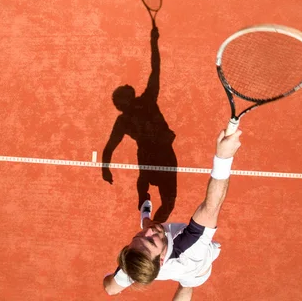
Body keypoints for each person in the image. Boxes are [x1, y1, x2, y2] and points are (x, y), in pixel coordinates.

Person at [103, 127, 242, 300]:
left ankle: (145, 218)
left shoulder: (138, 261)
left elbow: (110, 289)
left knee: (112, 286)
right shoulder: (190, 249)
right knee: (187, 284)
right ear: (161, 261)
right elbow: (211, 207)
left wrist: (116, 277)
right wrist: (224, 157)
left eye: (137, 238)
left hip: (157, 262)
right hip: (196, 271)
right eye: (149, 241)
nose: (147, 233)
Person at [102, 26, 178, 224]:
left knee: (148, 186)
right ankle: (153, 222)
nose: (128, 86)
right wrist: (154, 42)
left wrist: (105, 167)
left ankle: (146, 215)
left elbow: (110, 146)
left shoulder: (123, 121)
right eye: (126, 90)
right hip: (163, 155)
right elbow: (156, 68)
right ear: (125, 102)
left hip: (149, 155)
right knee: (168, 203)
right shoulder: (147, 100)